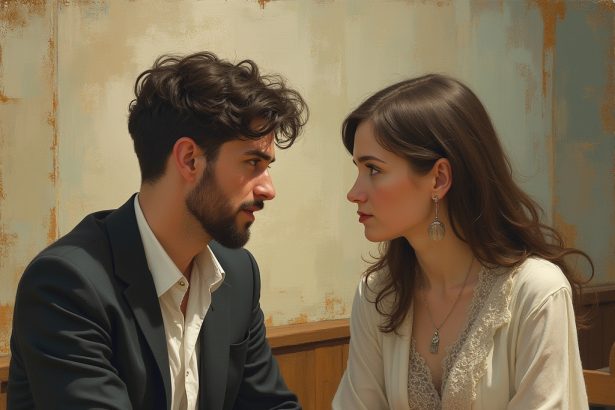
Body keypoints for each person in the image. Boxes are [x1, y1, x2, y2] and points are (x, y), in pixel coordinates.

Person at [8, 51, 308, 410]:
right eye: (252, 162)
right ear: (189, 159)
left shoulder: (238, 273)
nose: (268, 189)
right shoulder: (66, 284)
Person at [333, 74, 592, 409]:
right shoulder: (377, 294)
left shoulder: (536, 292)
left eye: (374, 170)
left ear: (439, 178)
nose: (354, 193)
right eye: (358, 169)